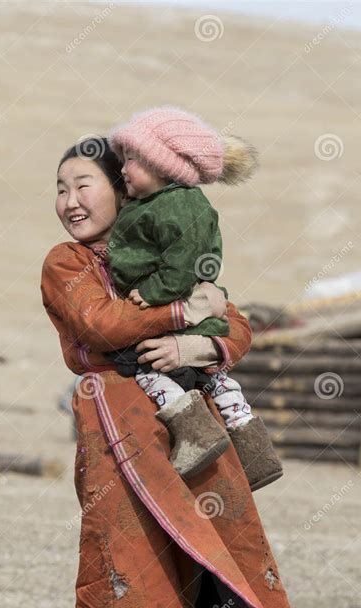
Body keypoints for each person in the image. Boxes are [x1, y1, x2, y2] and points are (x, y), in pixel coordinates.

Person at [41, 136, 298, 608]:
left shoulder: (166, 255)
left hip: (195, 430)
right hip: (117, 426)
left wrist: (196, 349)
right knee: (131, 559)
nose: (69, 202)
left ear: (125, 189)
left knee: (224, 557)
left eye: (83, 186)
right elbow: (101, 324)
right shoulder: (67, 262)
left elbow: (233, 322)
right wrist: (182, 313)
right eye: (59, 189)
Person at [104, 106, 282, 488]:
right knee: (214, 382)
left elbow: (190, 263)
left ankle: (195, 435)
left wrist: (152, 292)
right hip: (188, 317)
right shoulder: (157, 204)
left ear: (163, 165)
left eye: (132, 159)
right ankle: (252, 451)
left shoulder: (182, 205)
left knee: (148, 372)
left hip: (179, 316)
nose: (123, 169)